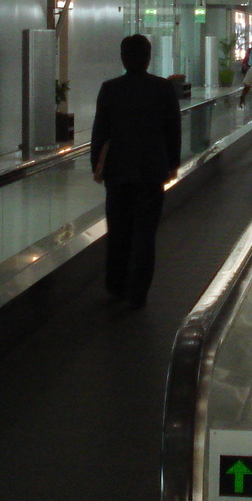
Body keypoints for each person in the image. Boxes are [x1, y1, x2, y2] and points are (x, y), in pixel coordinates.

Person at [91, 34, 182, 309]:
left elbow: (100, 132)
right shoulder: (163, 89)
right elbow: (173, 131)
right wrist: (172, 164)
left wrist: (97, 165)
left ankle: (116, 286)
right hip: (151, 170)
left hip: (118, 171)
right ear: (149, 57)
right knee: (145, 233)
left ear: (123, 57)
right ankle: (138, 292)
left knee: (118, 229)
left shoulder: (110, 89)